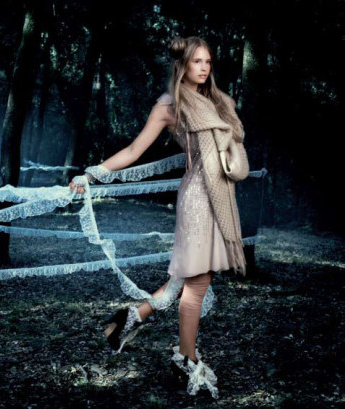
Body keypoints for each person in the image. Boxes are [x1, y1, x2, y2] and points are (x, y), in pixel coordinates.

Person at [69, 36, 248, 398]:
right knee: (196, 284)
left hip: (220, 196)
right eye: (197, 61)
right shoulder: (170, 106)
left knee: (182, 280)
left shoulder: (218, 102)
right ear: (182, 65)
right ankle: (186, 360)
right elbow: (134, 149)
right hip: (198, 199)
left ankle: (129, 319)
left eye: (208, 62)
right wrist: (91, 174)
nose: (204, 68)